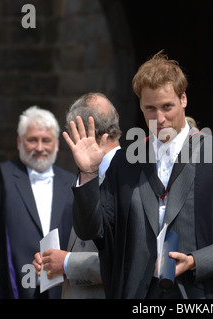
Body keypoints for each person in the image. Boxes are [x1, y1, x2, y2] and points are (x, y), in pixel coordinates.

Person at [64, 51, 213, 299]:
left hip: (204, 295)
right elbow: (93, 231)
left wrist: (195, 261)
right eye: (150, 108)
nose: (159, 119)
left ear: (183, 99)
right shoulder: (124, 163)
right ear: (140, 105)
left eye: (167, 107)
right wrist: (88, 172)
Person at [0, 106, 74, 299]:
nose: (40, 147)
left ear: (57, 144)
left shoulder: (73, 183)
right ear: (19, 142)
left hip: (61, 287)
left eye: (46, 140)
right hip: (9, 284)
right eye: (32, 140)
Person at [32, 93, 121, 299]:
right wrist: (51, 262)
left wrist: (66, 263)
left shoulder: (129, 178)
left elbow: (129, 260)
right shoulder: (88, 175)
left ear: (77, 131)